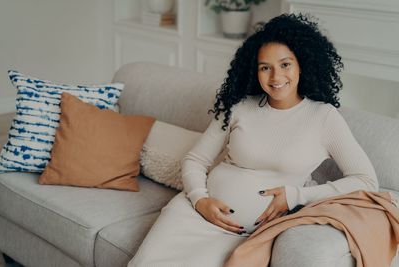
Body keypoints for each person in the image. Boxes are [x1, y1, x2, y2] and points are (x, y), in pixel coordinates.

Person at [128, 13, 378, 267]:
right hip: (193, 214)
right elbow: (195, 159)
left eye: (285, 64)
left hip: (245, 235)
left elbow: (366, 181)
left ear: (302, 64)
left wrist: (296, 196)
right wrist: (199, 198)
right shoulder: (239, 106)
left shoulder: (323, 117)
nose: (275, 77)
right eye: (265, 67)